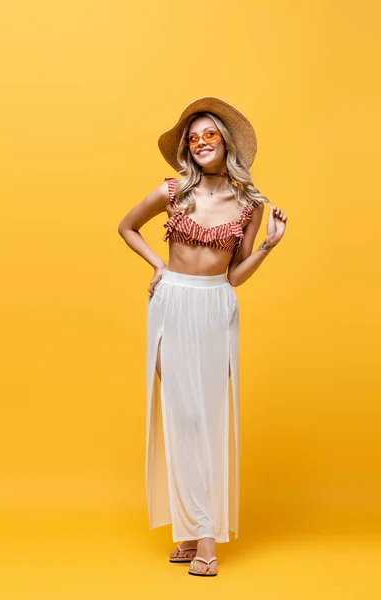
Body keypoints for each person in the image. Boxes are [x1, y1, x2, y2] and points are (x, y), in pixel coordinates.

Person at [118, 96, 287, 577]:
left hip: (216, 306)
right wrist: (157, 265)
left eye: (209, 134)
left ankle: (199, 533)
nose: (200, 143)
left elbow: (235, 275)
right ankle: (198, 536)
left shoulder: (251, 204)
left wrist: (270, 247)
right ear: (186, 151)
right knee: (181, 416)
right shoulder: (172, 192)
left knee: (208, 418)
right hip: (172, 303)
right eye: (193, 138)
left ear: (226, 142)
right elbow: (126, 227)